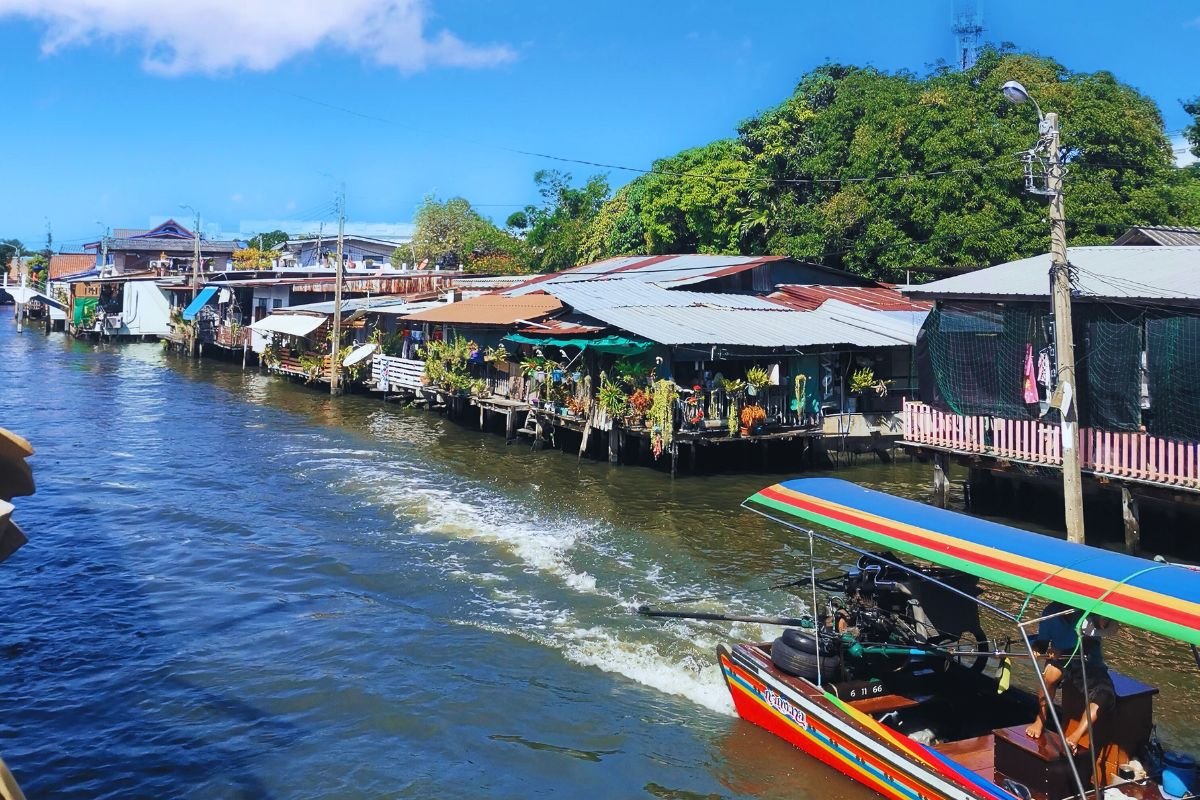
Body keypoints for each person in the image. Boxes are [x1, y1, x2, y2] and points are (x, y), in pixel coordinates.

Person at [1025, 602, 1117, 755]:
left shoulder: (1089, 616)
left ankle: (1075, 736)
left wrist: (1061, 651)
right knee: (1049, 676)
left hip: (1088, 661)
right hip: (1060, 659)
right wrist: (1036, 649)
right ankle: (1040, 719)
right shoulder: (1050, 612)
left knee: (1103, 694)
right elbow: (1042, 642)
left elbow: (1087, 645)